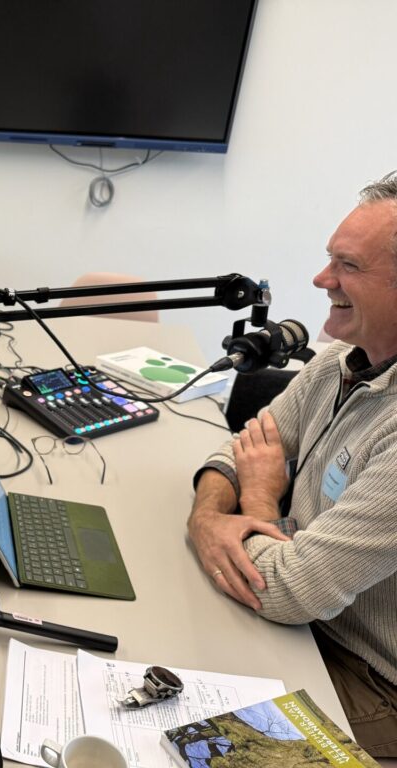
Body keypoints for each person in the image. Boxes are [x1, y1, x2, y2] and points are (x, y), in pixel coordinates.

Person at [187, 171, 397, 757]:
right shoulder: (339, 360)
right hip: (306, 624)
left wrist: (257, 503)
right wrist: (208, 518)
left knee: (194, 734)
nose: (321, 279)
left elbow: (288, 590)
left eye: (348, 266)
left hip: (370, 677)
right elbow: (236, 452)